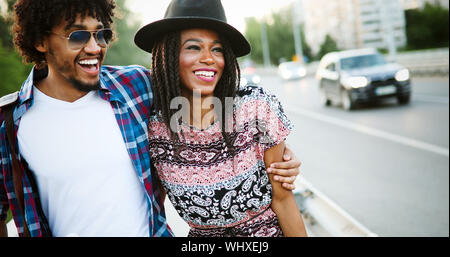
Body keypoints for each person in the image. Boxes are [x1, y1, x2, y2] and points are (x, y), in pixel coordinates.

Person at [0, 0, 301, 237]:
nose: (94, 47)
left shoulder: (134, 88)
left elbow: (203, 95)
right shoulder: (10, 125)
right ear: (40, 41)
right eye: (78, 35)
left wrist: (274, 151)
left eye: (101, 34)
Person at [135, 0, 307, 237]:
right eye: (194, 47)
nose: (208, 58)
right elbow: (154, 212)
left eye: (216, 49)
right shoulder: (155, 130)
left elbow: (284, 201)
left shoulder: (256, 108)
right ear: (168, 55)